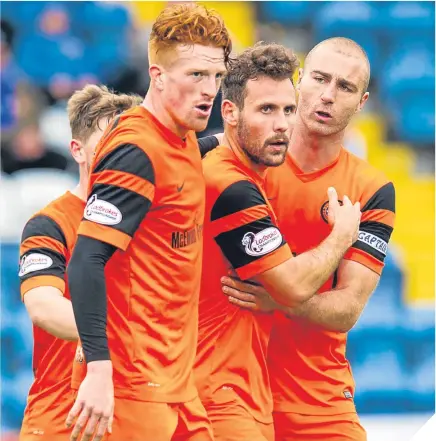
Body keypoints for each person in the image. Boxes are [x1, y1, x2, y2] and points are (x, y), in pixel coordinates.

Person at [65, 4, 231, 441]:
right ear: (157, 77)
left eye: (216, 76)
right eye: (196, 75)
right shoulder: (135, 151)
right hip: (132, 389)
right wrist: (99, 371)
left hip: (177, 383)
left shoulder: (180, 137)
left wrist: (244, 135)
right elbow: (86, 260)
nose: (209, 89)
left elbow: (180, 164)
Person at [221, 37, 396, 441]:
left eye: (345, 87)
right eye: (319, 79)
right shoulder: (240, 160)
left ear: (362, 101)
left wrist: (277, 298)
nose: (327, 96)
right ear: (300, 80)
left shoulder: (371, 189)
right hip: (229, 388)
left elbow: (349, 306)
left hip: (317, 395)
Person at [195, 42, 361, 441]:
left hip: (243, 395)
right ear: (229, 113)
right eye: (266, 110)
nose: (283, 123)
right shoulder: (231, 186)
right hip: (221, 399)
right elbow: (292, 285)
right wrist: (341, 236)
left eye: (288, 109)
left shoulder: (235, 170)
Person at [18, 85, 141, 441]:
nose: (123, 154)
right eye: (109, 142)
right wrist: (128, 335)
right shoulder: (50, 223)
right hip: (63, 417)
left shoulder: (154, 222)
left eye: (130, 144)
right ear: (78, 150)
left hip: (136, 414)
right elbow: (44, 307)